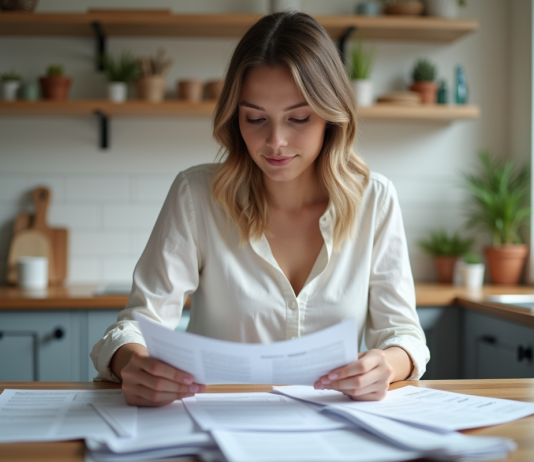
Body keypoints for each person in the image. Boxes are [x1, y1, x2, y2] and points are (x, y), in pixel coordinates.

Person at [91, 11, 430, 407]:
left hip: (334, 429)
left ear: (331, 116)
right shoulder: (197, 194)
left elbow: (404, 334)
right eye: (255, 118)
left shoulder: (376, 199)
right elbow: (136, 325)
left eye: (298, 118)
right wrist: (135, 362)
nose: (275, 142)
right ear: (236, 118)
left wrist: (388, 365)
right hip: (217, 423)